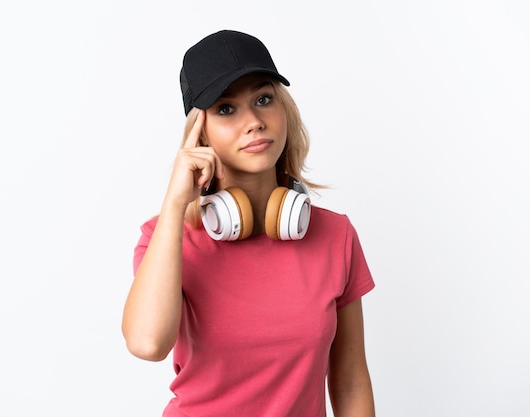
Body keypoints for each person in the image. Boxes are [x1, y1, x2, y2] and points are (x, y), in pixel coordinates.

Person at [122, 29, 376, 417]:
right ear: (199, 132)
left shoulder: (335, 236)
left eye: (263, 99)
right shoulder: (166, 238)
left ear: (283, 109)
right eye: (226, 109)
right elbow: (147, 344)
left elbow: (350, 380)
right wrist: (175, 205)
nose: (254, 121)